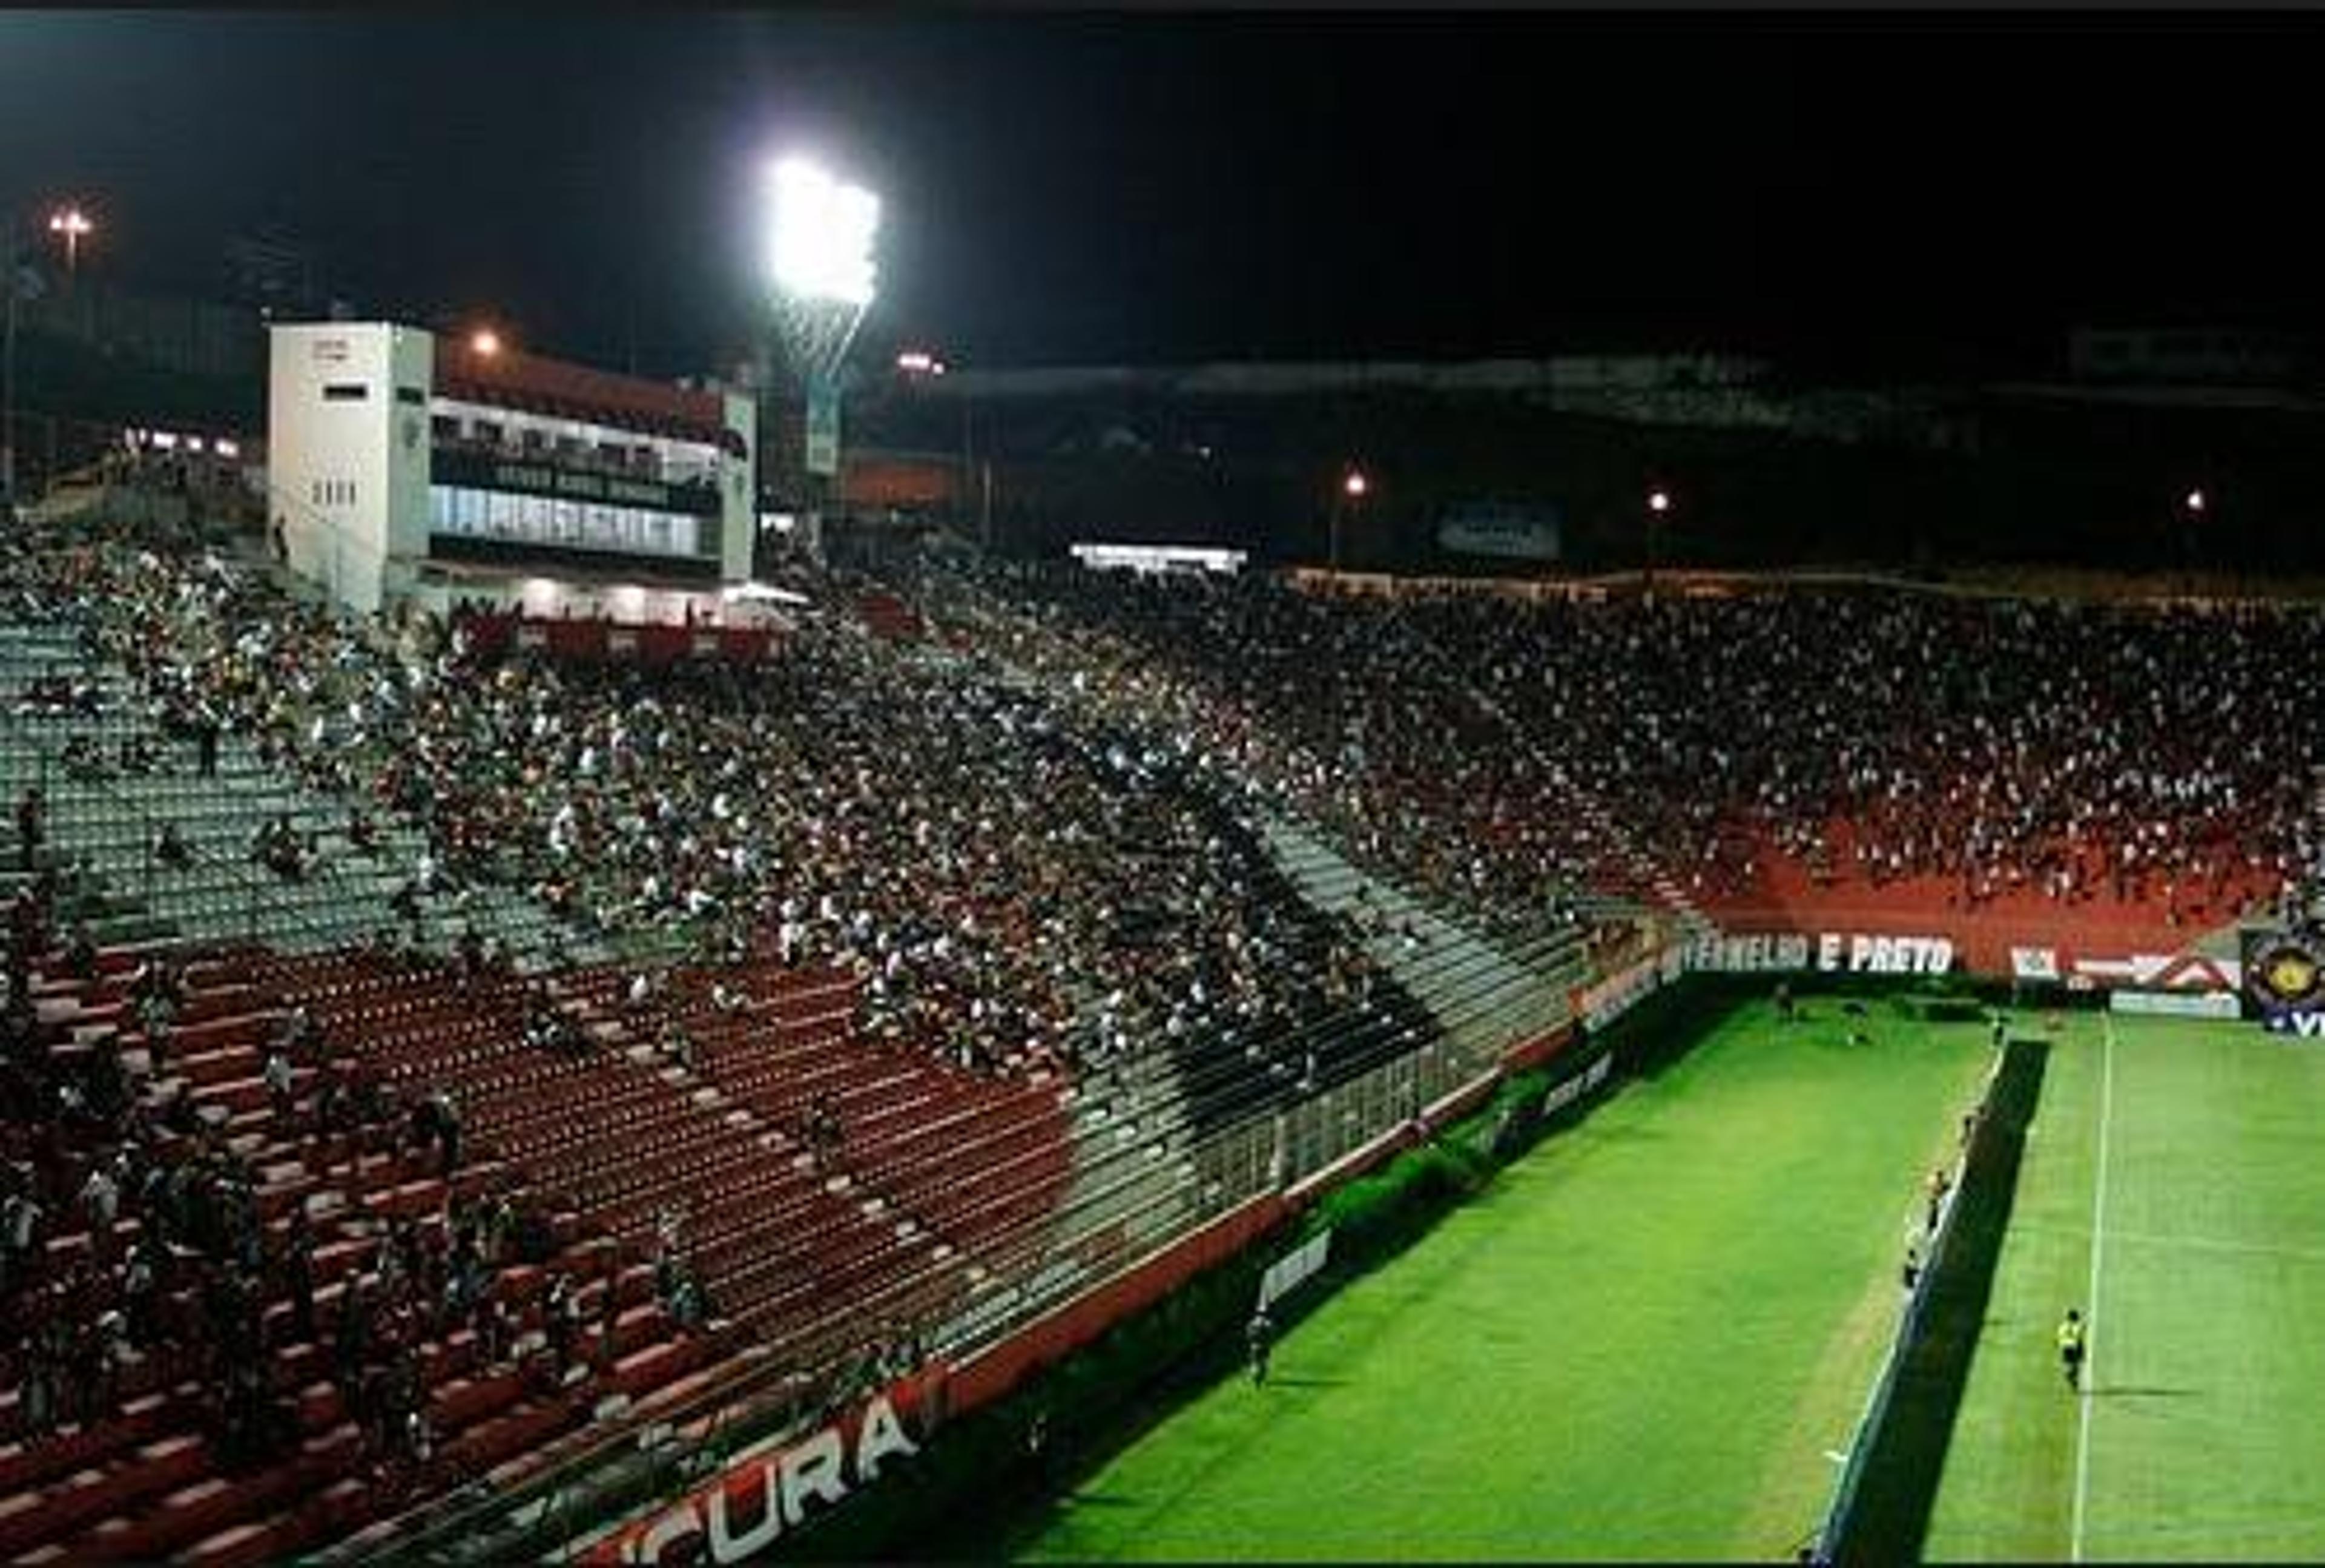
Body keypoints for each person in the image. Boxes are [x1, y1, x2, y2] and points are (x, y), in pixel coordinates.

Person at [2057, 1308, 2087, 1392]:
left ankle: (2072, 1378)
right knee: (2076, 1366)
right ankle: (2073, 1377)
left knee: (2069, 1367)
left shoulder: (2063, 1326)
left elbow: (2060, 1337)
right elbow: (2081, 1331)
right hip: (2075, 1347)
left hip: (2067, 1348)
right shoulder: (2076, 1326)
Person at [1246, 1305, 1275, 1387]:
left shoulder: (1251, 1324)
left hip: (1254, 1347)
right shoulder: (1267, 1323)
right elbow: (1271, 1333)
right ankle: (1258, 1379)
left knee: (1255, 1364)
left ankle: (1255, 1378)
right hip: (1264, 1347)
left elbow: (1248, 1335)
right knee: (1264, 1365)